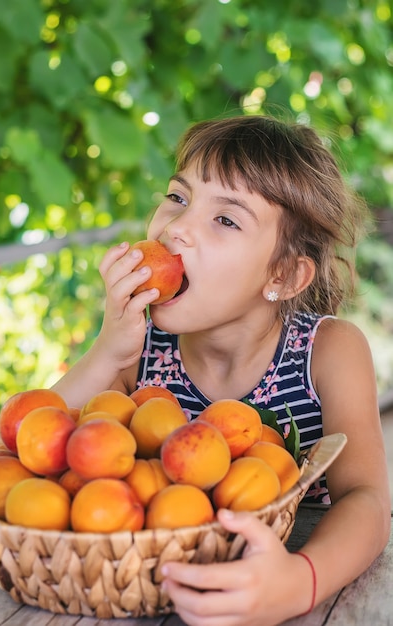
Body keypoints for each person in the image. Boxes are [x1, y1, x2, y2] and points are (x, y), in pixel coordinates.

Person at [52, 114, 390, 625]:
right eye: (178, 197)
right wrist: (108, 352)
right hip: (143, 588)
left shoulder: (328, 351)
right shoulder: (138, 352)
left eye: (226, 219)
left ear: (284, 273)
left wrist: (301, 581)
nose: (176, 228)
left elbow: (366, 500)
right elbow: (33, 445)